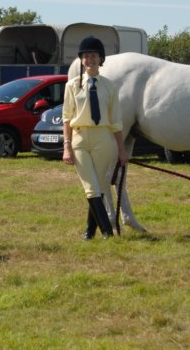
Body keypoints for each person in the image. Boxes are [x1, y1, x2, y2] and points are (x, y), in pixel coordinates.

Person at [62, 36, 128, 240]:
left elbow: (115, 121)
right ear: (81, 60)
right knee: (91, 187)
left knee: (98, 187)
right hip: (80, 138)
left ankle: (89, 232)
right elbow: (66, 118)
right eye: (86, 56)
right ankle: (107, 231)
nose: (90, 59)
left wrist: (121, 149)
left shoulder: (110, 87)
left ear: (101, 59)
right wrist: (67, 146)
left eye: (94, 56)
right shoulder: (72, 86)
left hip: (103, 139)